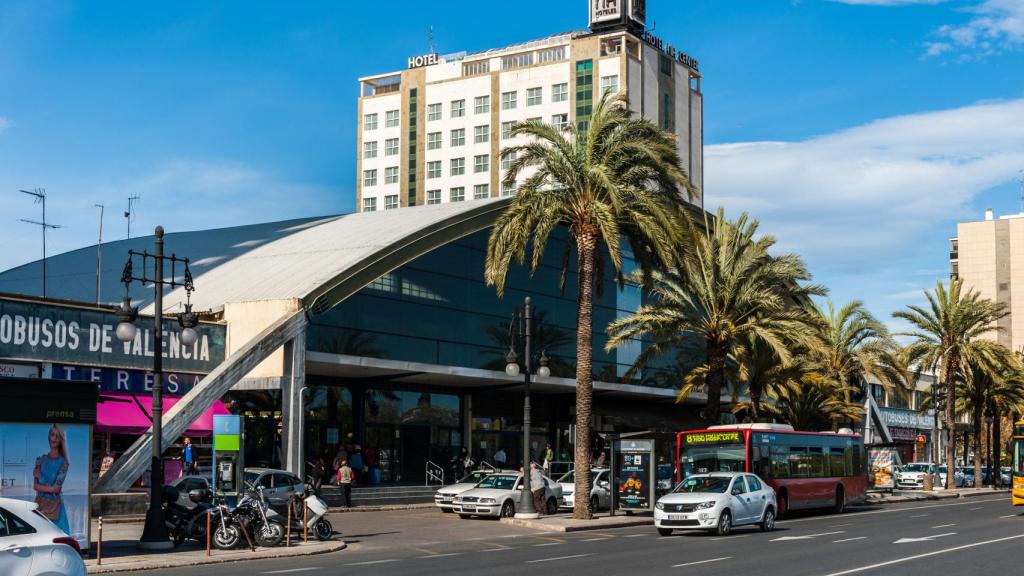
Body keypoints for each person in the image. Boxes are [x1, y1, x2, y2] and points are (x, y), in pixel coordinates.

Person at [34, 424, 70, 534]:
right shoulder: (41, 459)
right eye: (52, 434)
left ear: (60, 439)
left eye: (57, 436)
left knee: (58, 537)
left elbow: (57, 489)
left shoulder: (64, 463)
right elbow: (35, 486)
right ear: (49, 436)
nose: (54, 438)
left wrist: (41, 478)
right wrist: (51, 488)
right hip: (40, 505)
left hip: (56, 509)